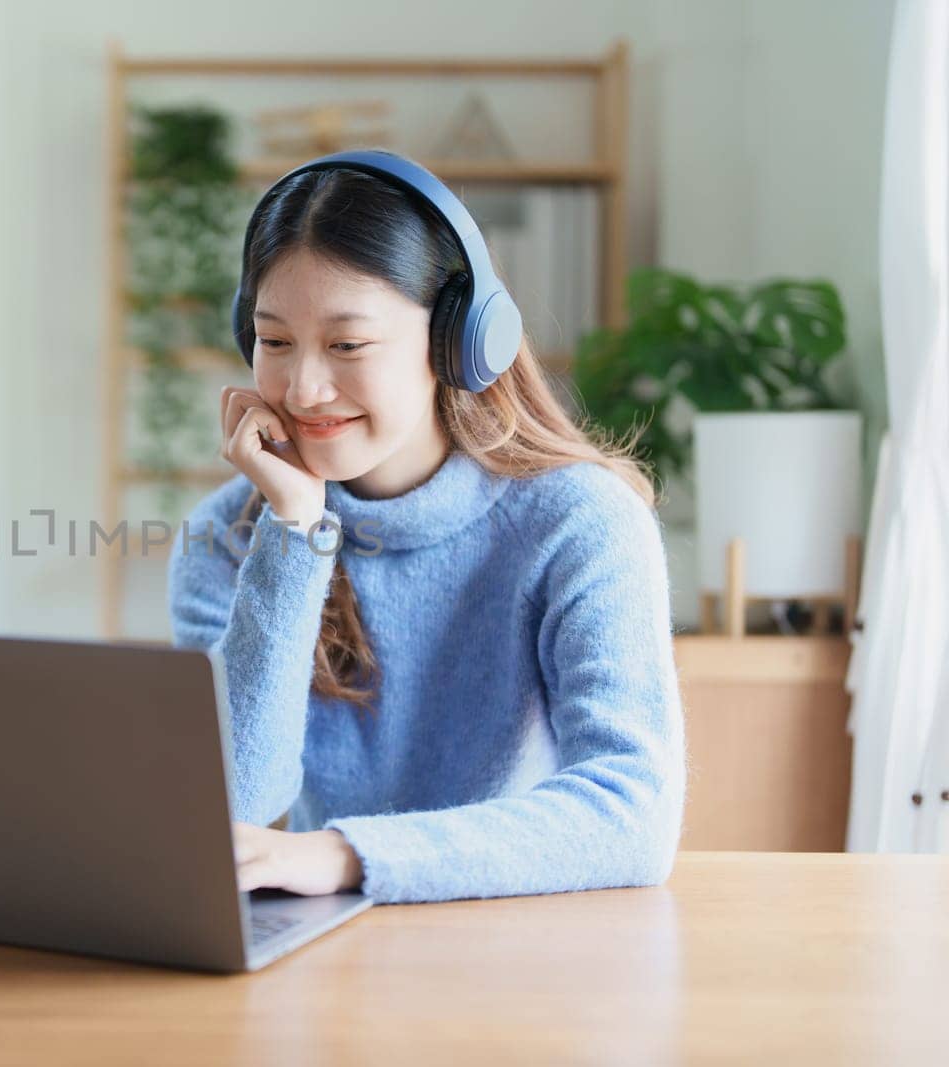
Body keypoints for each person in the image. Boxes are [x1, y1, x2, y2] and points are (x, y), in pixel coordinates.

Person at [166, 156, 686, 906]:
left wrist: (349, 856)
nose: (304, 387)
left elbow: (633, 812)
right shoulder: (231, 534)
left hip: (525, 949)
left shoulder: (580, 523)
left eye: (348, 345)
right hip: (326, 961)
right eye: (274, 341)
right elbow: (234, 808)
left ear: (455, 342)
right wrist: (294, 533)